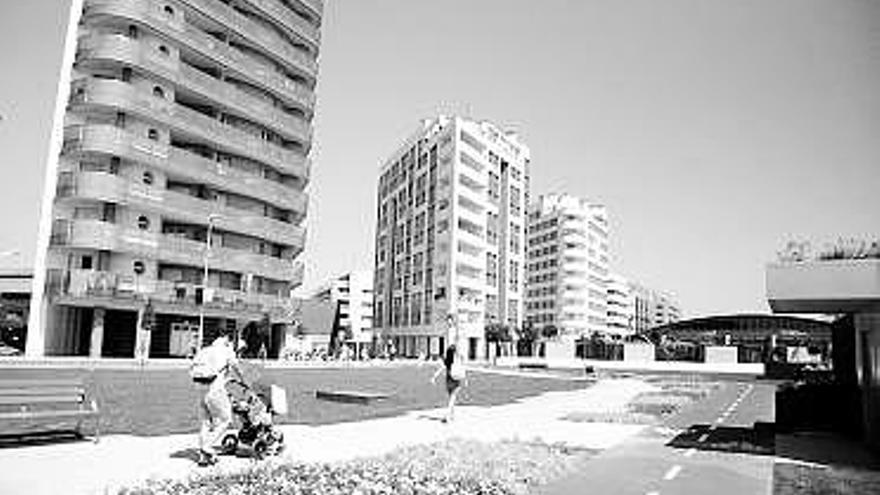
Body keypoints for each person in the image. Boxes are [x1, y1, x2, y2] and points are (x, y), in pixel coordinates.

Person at [193, 329, 245, 467]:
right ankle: (207, 448)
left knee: (206, 422)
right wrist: (244, 380)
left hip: (200, 388)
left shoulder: (204, 350)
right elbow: (237, 368)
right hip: (215, 389)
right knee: (225, 419)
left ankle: (203, 456)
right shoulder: (227, 350)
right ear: (226, 339)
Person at [431, 343, 466, 423]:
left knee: (451, 398)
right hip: (456, 380)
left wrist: (434, 377)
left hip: (448, 381)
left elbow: (441, 369)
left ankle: (451, 416)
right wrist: (465, 379)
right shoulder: (457, 360)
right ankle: (448, 416)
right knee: (452, 399)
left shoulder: (447, 361)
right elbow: (462, 368)